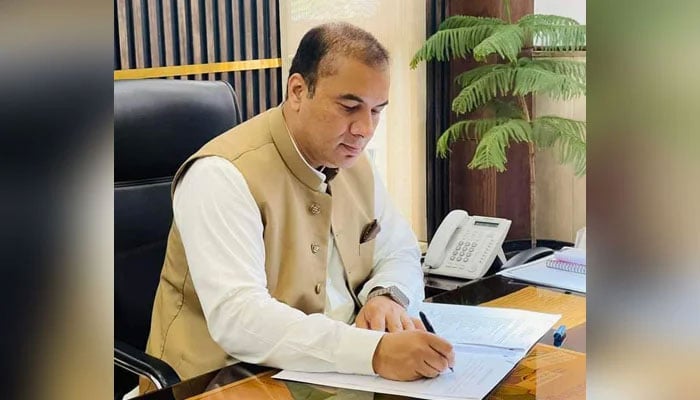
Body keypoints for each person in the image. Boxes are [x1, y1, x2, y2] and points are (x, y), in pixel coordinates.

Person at [141, 21, 454, 393]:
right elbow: (240, 319)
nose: (364, 129)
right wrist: (374, 352)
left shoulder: (355, 164)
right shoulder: (221, 175)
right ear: (298, 91)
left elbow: (399, 248)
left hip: (329, 379)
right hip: (223, 382)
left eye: (376, 111)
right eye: (349, 107)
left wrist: (387, 295)